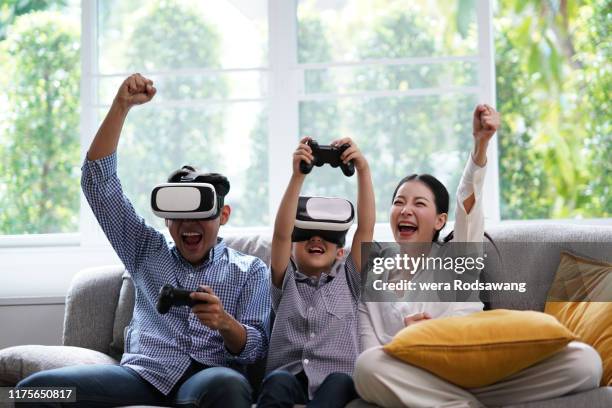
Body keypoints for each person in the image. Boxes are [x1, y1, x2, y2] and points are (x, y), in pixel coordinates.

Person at [17, 74, 270, 408]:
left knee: (228, 384)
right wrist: (121, 106)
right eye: (178, 213)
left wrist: (224, 323)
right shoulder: (144, 249)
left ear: (223, 216)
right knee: (32, 390)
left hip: (211, 376)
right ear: (166, 217)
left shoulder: (250, 270)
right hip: (144, 376)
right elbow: (97, 183)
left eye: (201, 213)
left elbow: (255, 349)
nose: (189, 224)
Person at [354, 104, 603, 407]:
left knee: (585, 361)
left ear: (440, 220)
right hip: (420, 379)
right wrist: (410, 343)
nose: (406, 210)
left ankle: (458, 403)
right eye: (398, 202)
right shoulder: (373, 278)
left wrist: (480, 145)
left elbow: (467, 204)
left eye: (419, 203)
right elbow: (369, 354)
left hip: (486, 375)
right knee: (366, 370)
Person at [257, 137, 375, 407]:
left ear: (341, 252)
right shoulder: (284, 281)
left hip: (335, 381)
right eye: (306, 235)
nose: (316, 240)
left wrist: (363, 170)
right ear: (291, 250)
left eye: (328, 238)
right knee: (277, 382)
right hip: (288, 377)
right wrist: (297, 176)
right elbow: (280, 234)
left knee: (340, 381)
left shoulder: (349, 280)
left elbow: (365, 230)